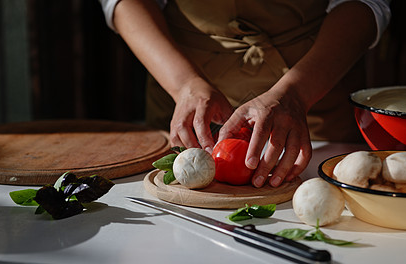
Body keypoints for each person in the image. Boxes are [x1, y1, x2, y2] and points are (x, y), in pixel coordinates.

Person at [100, 0, 391, 188]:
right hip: (179, 91)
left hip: (313, 97)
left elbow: (366, 3)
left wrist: (296, 94)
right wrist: (183, 84)